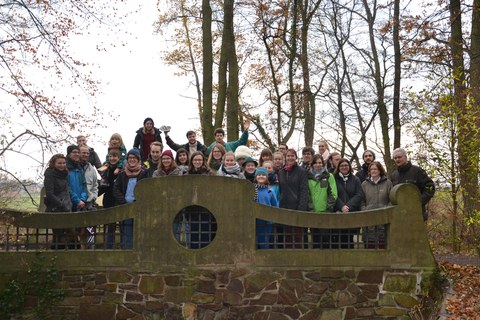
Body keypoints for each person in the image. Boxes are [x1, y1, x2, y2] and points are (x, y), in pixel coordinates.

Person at [113, 148, 148, 249]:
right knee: (126, 233)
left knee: (139, 232)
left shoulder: (144, 173)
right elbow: (116, 189)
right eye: (130, 158)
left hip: (139, 207)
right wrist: (123, 202)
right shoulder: (122, 173)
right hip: (125, 207)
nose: (132, 160)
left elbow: (146, 189)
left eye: (134, 158)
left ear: (138, 159)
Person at [390, 148, 435, 221]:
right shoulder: (394, 175)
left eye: (399, 157)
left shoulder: (417, 171)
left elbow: (430, 188)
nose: (397, 159)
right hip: (401, 216)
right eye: (395, 158)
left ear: (405, 157)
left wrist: (419, 202)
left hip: (417, 214)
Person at [278, 149, 309, 248]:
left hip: (297, 208)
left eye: (292, 156)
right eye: (288, 156)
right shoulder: (281, 172)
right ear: (285, 158)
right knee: (287, 238)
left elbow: (304, 192)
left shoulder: (301, 172)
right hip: (285, 209)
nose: (290, 158)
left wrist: (301, 210)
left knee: (298, 238)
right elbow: (281, 190)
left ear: (296, 157)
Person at [43, 154, 72, 249]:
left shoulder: (64, 173)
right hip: (55, 208)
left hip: (66, 207)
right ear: (53, 163)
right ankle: (55, 258)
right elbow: (50, 193)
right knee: (58, 236)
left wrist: (68, 205)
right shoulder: (50, 174)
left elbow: (65, 191)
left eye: (64, 163)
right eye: (59, 163)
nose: (62, 165)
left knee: (67, 235)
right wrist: (61, 205)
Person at [333, 158, 364, 249]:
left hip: (351, 212)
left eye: (346, 165)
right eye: (342, 165)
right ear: (338, 167)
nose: (344, 167)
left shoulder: (355, 179)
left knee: (349, 238)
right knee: (337, 237)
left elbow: (359, 194)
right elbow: (332, 194)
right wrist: (341, 206)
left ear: (349, 167)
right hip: (337, 212)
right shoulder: (334, 179)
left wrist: (348, 206)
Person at [361, 161, 392, 248]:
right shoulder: (364, 184)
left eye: (375, 169)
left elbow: (391, 200)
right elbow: (361, 201)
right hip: (369, 219)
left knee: (383, 246)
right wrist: (365, 210)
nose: (373, 171)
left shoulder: (388, 183)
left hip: (384, 219)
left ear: (380, 170)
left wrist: (387, 210)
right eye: (371, 169)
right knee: (369, 246)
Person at [98, 149, 121, 249]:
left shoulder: (122, 169)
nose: (112, 158)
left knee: (122, 224)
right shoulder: (105, 169)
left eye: (114, 156)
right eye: (110, 156)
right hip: (108, 199)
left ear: (119, 158)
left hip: (119, 199)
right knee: (110, 225)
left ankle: (123, 246)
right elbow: (103, 185)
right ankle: (109, 246)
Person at [254, 167, 279, 249]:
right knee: (254, 242)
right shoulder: (252, 190)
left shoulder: (270, 191)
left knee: (264, 242)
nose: (261, 176)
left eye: (263, 175)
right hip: (254, 221)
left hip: (266, 222)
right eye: (259, 175)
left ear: (267, 177)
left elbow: (275, 206)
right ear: (256, 177)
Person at [79, 146, 98, 210]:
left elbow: (95, 185)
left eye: (87, 153)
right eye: (83, 153)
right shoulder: (74, 168)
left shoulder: (92, 169)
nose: (86, 155)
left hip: (89, 202)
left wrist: (94, 196)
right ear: (79, 153)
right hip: (77, 201)